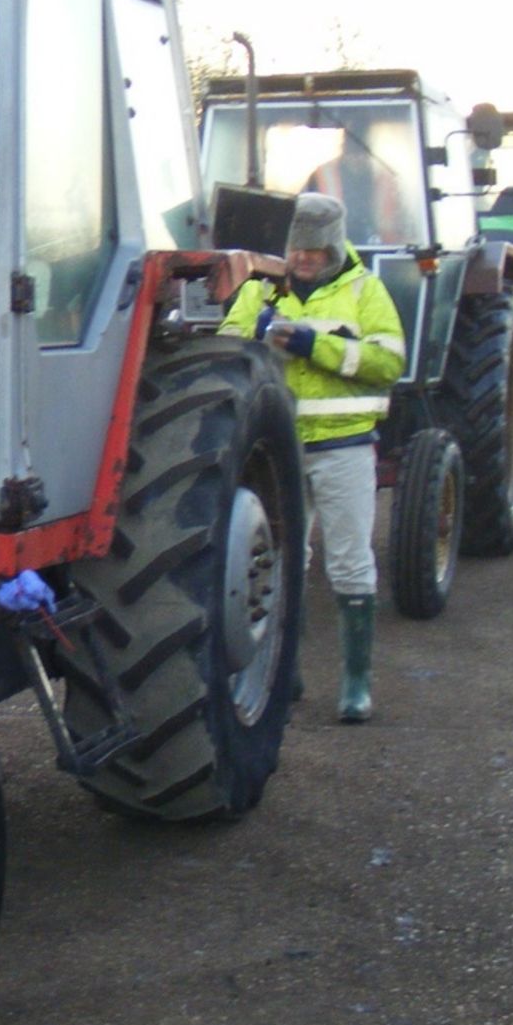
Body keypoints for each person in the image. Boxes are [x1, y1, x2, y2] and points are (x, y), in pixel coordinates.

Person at [220, 192, 405, 722]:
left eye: (313, 252)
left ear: (333, 248)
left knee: (349, 561)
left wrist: (310, 345)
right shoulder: (260, 288)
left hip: (344, 446)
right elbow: (226, 342)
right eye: (296, 249)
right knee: (281, 559)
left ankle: (355, 683)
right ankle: (286, 670)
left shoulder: (366, 292)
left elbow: (388, 362)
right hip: (280, 450)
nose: (302, 260)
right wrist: (256, 334)